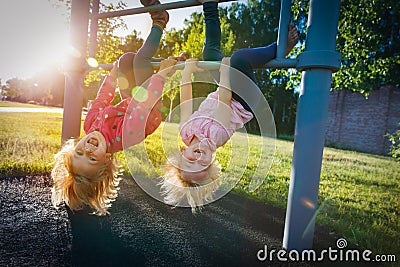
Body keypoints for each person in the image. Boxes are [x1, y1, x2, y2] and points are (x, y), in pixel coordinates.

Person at [160, 0, 299, 212]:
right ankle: (280, 48)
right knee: (239, 58)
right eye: (202, 165)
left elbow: (186, 101)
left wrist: (187, 72)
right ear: (212, 162)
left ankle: (209, 5)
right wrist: (226, 72)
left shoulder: (185, 131)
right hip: (244, 101)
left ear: (182, 152)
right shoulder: (218, 136)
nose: (197, 158)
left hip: (226, 90)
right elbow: (225, 100)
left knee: (210, 55)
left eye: (190, 162)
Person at [51, 0, 179, 216]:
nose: (89, 148)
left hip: (131, 101)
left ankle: (151, 39)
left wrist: (112, 74)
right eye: (92, 158)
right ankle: (160, 21)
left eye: (80, 152)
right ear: (106, 160)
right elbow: (145, 104)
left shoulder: (90, 124)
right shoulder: (125, 137)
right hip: (151, 107)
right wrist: (163, 74)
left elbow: (102, 99)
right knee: (140, 60)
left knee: (125, 59)